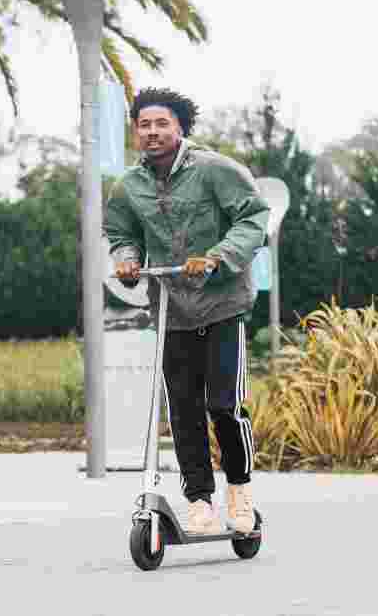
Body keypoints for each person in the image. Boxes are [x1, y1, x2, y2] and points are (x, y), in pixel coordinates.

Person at [104, 87, 270, 535]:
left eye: (162, 124)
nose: (153, 132)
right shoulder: (129, 187)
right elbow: (121, 232)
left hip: (222, 305)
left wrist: (217, 255)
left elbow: (254, 219)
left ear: (180, 128)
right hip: (171, 310)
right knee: (182, 409)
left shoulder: (216, 170)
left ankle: (240, 490)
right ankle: (199, 498)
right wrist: (125, 259)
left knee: (224, 404)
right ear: (135, 131)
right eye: (144, 125)